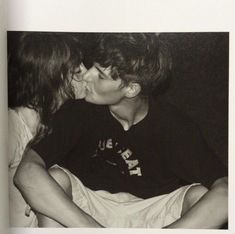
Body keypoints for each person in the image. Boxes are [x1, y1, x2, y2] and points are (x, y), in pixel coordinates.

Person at [14, 33, 228, 228]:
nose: (85, 76)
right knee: (55, 179)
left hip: (153, 214)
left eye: (100, 75)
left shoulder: (174, 125)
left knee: (202, 196)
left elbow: (227, 191)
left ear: (131, 88)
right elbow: (27, 172)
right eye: (91, 67)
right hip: (89, 207)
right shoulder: (78, 111)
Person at [8, 32, 87, 227]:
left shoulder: (57, 126)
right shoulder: (10, 125)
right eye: (77, 71)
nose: (87, 74)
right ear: (51, 77)